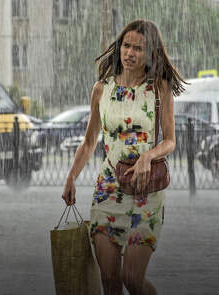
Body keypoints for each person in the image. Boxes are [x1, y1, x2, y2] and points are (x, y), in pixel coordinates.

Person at [62, 19, 186, 295]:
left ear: (151, 53)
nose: (129, 53)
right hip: (108, 190)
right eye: (126, 46)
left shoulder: (160, 88)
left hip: (145, 191)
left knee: (132, 278)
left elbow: (170, 141)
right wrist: (71, 177)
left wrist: (147, 157)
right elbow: (90, 141)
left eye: (138, 48)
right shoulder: (101, 89)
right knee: (109, 280)